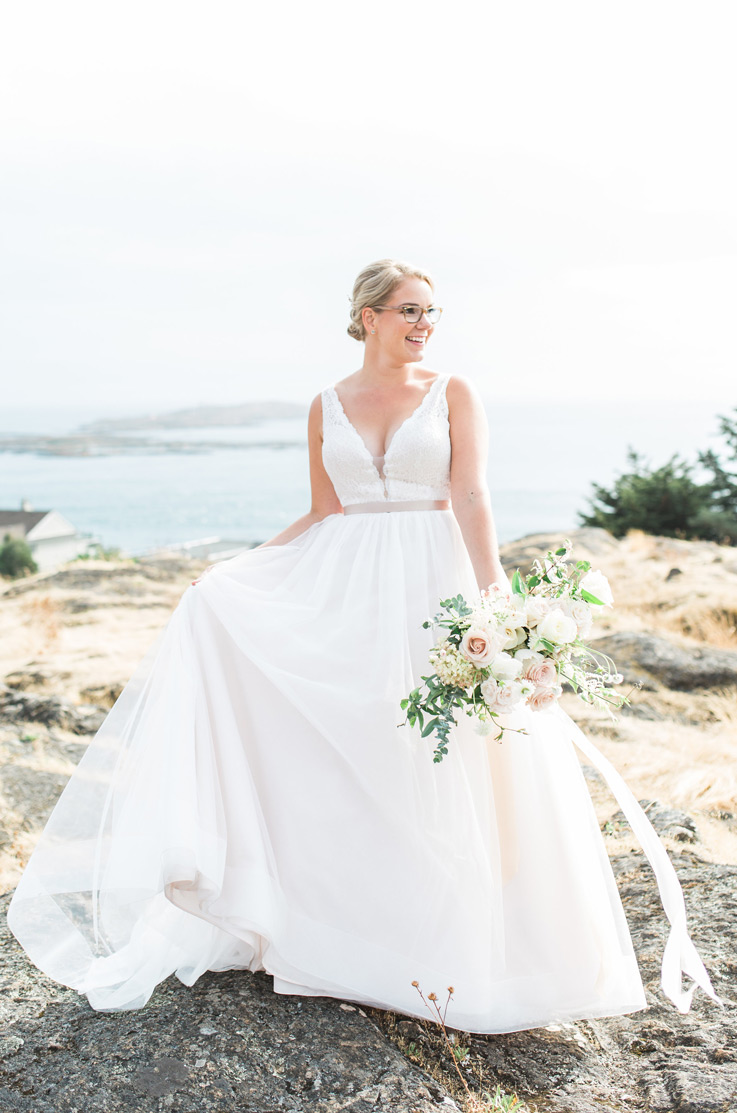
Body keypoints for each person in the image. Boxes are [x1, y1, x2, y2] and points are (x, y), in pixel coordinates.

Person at [7, 259, 718, 1031]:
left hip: (432, 580)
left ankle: (452, 936)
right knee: (354, 743)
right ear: (368, 316)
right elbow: (322, 509)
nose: (424, 325)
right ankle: (341, 919)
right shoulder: (324, 403)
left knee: (447, 754)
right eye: (410, 311)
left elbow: (472, 495)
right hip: (344, 585)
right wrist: (230, 577)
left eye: (431, 313)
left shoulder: (452, 392)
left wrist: (495, 606)